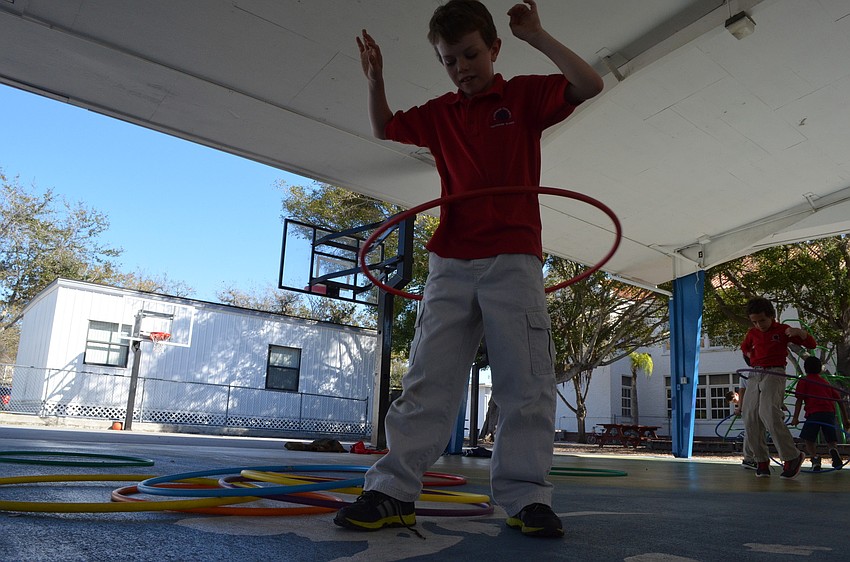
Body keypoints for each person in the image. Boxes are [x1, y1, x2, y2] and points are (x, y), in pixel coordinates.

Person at [339, 0, 603, 539]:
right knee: (427, 381)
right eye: (449, 60)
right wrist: (375, 80)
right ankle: (391, 490)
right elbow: (385, 127)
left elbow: (590, 84)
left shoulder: (526, 95)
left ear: (494, 49)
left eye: (470, 54)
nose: (462, 67)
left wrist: (539, 36)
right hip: (451, 260)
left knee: (525, 383)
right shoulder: (439, 113)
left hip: (514, 258)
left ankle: (526, 497)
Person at [740, 297, 816, 479]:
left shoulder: (783, 330)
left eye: (762, 321)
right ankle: (760, 460)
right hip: (755, 373)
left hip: (775, 373)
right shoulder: (752, 333)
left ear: (772, 316)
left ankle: (792, 457)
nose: (759, 325)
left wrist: (800, 333)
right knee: (749, 415)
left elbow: (811, 345)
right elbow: (745, 347)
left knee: (768, 413)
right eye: (755, 322)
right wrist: (751, 355)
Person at [790, 356, 849, 471]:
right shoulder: (825, 382)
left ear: (805, 368)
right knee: (831, 439)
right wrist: (846, 419)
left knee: (808, 439)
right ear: (820, 369)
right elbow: (840, 401)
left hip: (814, 413)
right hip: (829, 413)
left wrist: (795, 418)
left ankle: (815, 458)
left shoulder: (804, 381)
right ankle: (833, 450)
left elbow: (799, 400)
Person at [725, 383, 756, 470]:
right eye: (734, 402)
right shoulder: (742, 405)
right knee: (749, 435)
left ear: (737, 394)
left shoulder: (745, 399)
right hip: (750, 420)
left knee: (752, 436)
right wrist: (739, 409)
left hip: (752, 417)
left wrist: (739, 409)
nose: (735, 402)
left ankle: (751, 458)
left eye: (735, 400)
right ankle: (749, 459)